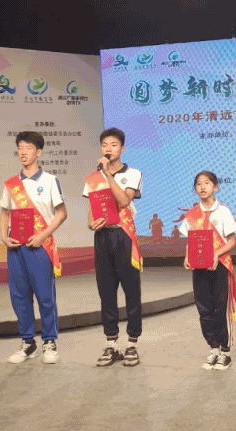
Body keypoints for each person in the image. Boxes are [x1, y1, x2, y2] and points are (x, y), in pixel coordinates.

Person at [0, 131, 66, 364]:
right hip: (16, 247)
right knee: (19, 296)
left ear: (38, 152)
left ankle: (50, 341)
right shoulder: (11, 184)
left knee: (45, 296)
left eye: (28, 147)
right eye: (20, 147)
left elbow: (61, 213)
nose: (23, 152)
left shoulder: (49, 180)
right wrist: (3, 237)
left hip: (40, 246)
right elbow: (4, 213)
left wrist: (42, 235)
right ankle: (28, 342)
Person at [83, 127, 143, 367]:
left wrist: (108, 175)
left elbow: (124, 200)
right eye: (105, 145)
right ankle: (111, 344)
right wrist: (90, 223)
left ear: (122, 149)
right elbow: (92, 209)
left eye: (114, 144)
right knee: (106, 292)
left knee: (131, 291)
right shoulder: (92, 178)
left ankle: (132, 344)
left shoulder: (133, 173)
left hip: (124, 236)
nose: (108, 149)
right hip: (103, 237)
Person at [181, 171, 236, 370]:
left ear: (216, 187)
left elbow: (231, 240)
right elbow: (190, 240)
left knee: (220, 308)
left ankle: (225, 352)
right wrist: (187, 257)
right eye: (198, 184)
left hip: (220, 265)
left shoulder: (223, 211)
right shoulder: (192, 214)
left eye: (207, 183)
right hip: (199, 267)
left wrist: (216, 254)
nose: (202, 187)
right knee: (204, 309)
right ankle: (213, 349)